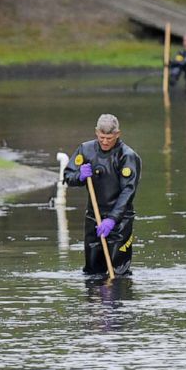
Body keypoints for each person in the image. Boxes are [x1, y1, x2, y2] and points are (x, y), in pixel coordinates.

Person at [63, 114, 141, 277]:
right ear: (96, 132)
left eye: (109, 138)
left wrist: (112, 219)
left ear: (117, 134)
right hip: (94, 218)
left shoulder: (127, 156)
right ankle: (94, 301)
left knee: (119, 273)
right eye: (102, 137)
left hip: (120, 221)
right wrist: (80, 176)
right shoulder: (85, 150)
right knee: (92, 272)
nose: (105, 142)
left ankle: (116, 300)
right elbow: (68, 177)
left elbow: (128, 192)